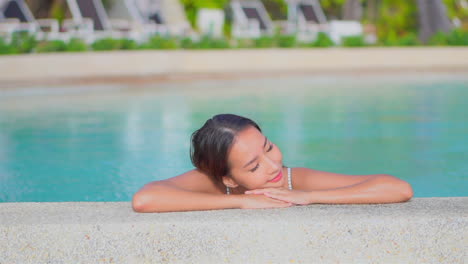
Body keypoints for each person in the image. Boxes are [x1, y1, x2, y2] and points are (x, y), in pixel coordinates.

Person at [132, 114, 413, 213]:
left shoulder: (291, 179)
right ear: (228, 178)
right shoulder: (211, 180)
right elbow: (145, 199)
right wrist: (240, 202)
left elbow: (397, 188)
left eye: (269, 148)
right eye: (254, 166)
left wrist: (309, 196)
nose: (273, 166)